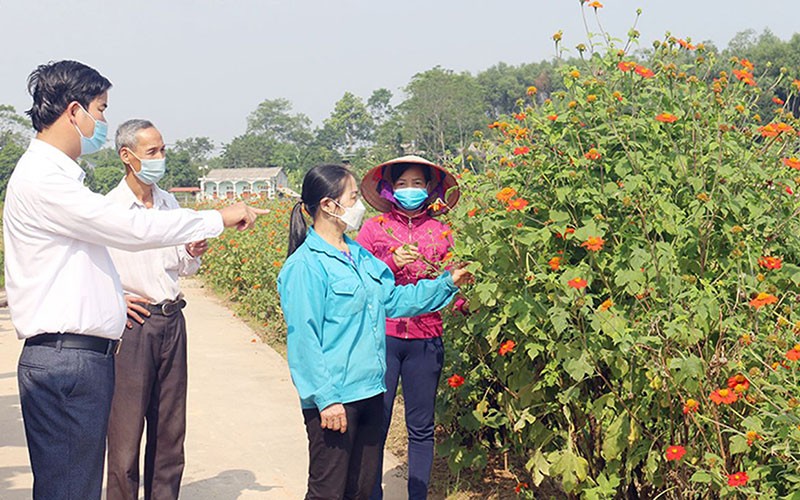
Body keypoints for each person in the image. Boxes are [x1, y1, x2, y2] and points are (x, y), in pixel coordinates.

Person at [2, 60, 267, 500]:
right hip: (67, 360)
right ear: (74, 112)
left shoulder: (56, 178)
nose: (103, 122)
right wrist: (215, 218)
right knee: (73, 486)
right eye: (100, 110)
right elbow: (132, 230)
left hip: (80, 355)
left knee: (79, 482)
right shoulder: (46, 180)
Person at [277, 164, 470, 500]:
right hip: (335, 399)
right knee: (328, 491)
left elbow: (394, 299)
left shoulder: (359, 256)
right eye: (353, 198)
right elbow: (304, 340)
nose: (358, 206)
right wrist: (326, 399)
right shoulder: (305, 266)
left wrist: (446, 283)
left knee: (363, 490)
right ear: (328, 205)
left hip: (368, 391)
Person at [104, 119, 214, 500]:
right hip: (134, 326)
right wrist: (114, 299)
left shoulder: (169, 202)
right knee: (125, 434)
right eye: (152, 152)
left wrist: (191, 251)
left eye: (162, 150)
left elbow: (181, 266)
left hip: (171, 319)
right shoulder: (110, 209)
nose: (160, 158)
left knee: (170, 430)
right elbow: (92, 269)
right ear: (127, 156)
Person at [357, 155, 460, 500]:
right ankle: (372, 493)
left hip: (426, 336)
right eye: (402, 184)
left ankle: (418, 495)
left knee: (421, 426)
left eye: (417, 183)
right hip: (382, 335)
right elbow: (359, 279)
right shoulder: (374, 228)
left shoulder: (442, 230)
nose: (410, 190)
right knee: (376, 421)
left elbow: (453, 279)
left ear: (430, 188)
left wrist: (465, 303)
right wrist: (389, 261)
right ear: (389, 188)